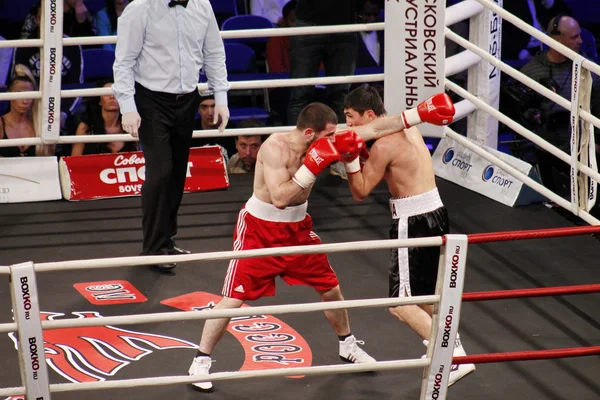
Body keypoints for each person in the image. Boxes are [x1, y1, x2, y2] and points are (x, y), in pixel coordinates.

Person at [188, 94, 456, 391]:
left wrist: (419, 113)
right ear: (309, 133)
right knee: (233, 298)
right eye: (329, 135)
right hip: (260, 232)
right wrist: (312, 167)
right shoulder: (275, 148)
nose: (337, 139)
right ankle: (200, 361)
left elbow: (378, 129)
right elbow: (279, 198)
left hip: (298, 230)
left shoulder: (326, 138)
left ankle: (348, 345)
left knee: (331, 288)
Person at [338, 85, 475, 386]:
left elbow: (360, 191)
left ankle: (452, 357)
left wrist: (349, 161)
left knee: (400, 304)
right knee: (425, 297)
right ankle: (455, 350)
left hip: (412, 220)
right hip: (436, 211)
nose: (348, 125)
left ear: (369, 115)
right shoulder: (409, 129)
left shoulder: (385, 144)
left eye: (350, 117)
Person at [112, 0, 230, 271]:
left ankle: (166, 239)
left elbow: (213, 52)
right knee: (161, 171)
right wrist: (127, 106)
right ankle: (153, 247)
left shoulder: (202, 6)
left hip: (187, 99)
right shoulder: (140, 8)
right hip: (150, 100)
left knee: (177, 172)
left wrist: (220, 96)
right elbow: (124, 62)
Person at [520, 14, 600, 196]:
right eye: (574, 37)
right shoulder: (530, 72)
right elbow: (521, 113)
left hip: (584, 151)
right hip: (545, 150)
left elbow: (598, 109)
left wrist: (597, 144)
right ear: (556, 39)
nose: (580, 41)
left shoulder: (590, 70)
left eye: (579, 35)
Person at [71, 80, 137, 156]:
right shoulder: (86, 127)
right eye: (107, 94)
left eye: (116, 93)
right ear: (99, 101)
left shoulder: (131, 125)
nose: (112, 97)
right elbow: (74, 160)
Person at [0, 67, 53, 157]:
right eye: (20, 94)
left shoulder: (39, 125)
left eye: (29, 95)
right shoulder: (1, 124)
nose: (25, 101)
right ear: (9, 94)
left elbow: (48, 159)